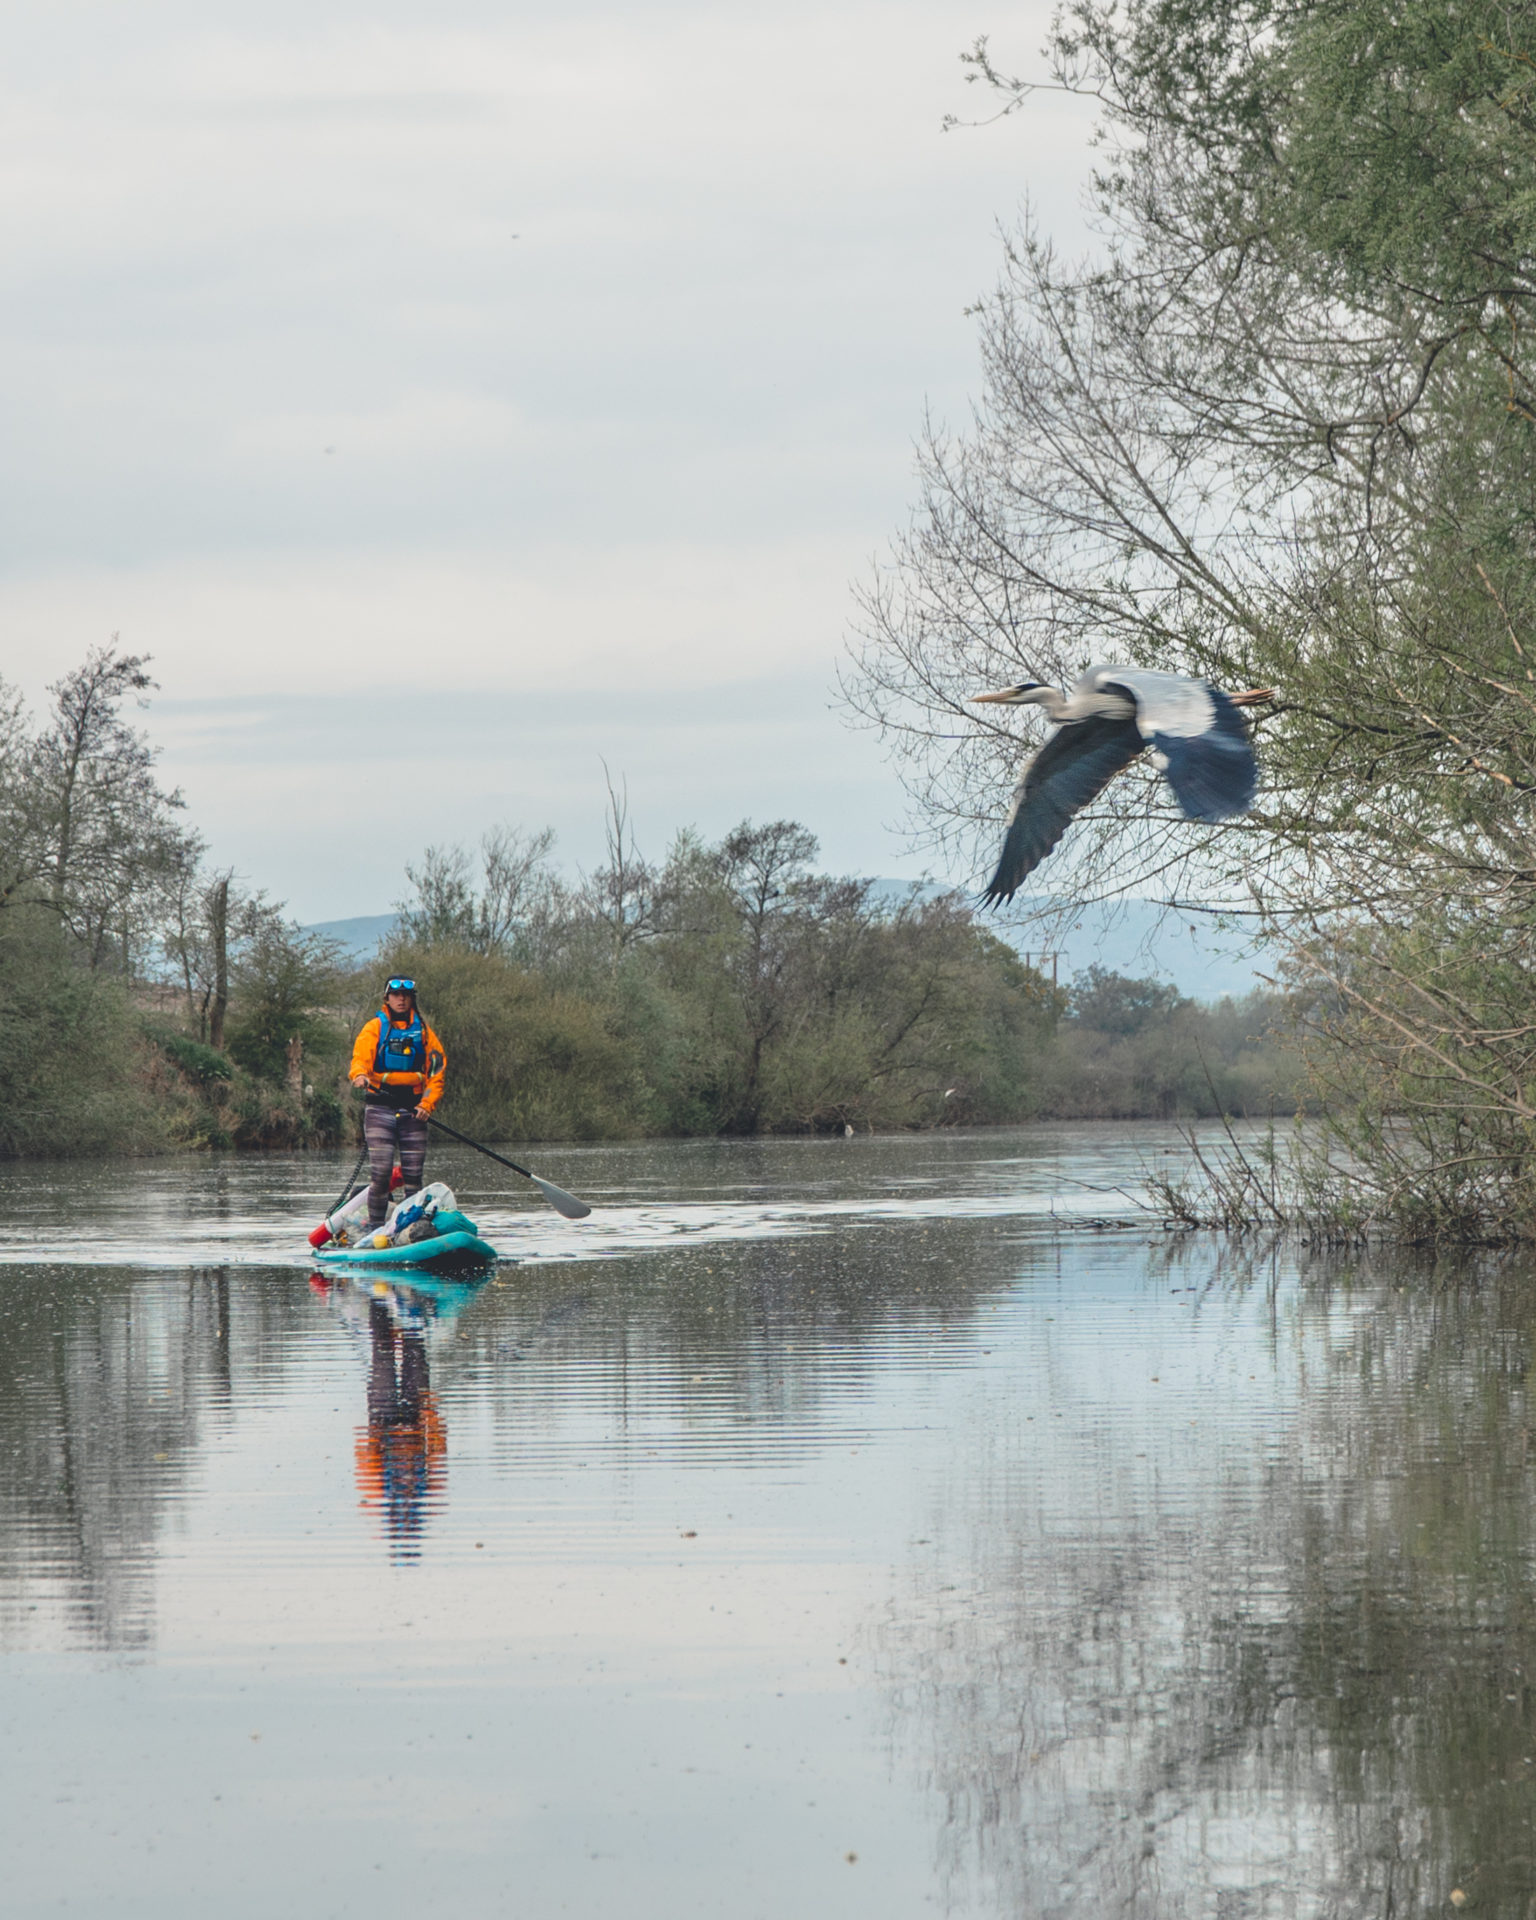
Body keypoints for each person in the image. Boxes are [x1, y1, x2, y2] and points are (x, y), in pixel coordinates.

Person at [349, 977, 447, 1228]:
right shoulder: (374, 1028)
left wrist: (427, 1104)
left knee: (413, 1176)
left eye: (406, 995)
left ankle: (411, 1228)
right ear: (387, 998)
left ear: (412, 999)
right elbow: (360, 1058)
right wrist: (359, 1074)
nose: (401, 999)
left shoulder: (424, 1032)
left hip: (413, 1111)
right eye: (396, 995)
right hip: (379, 1107)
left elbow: (436, 1072)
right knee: (381, 1175)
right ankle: (375, 1229)